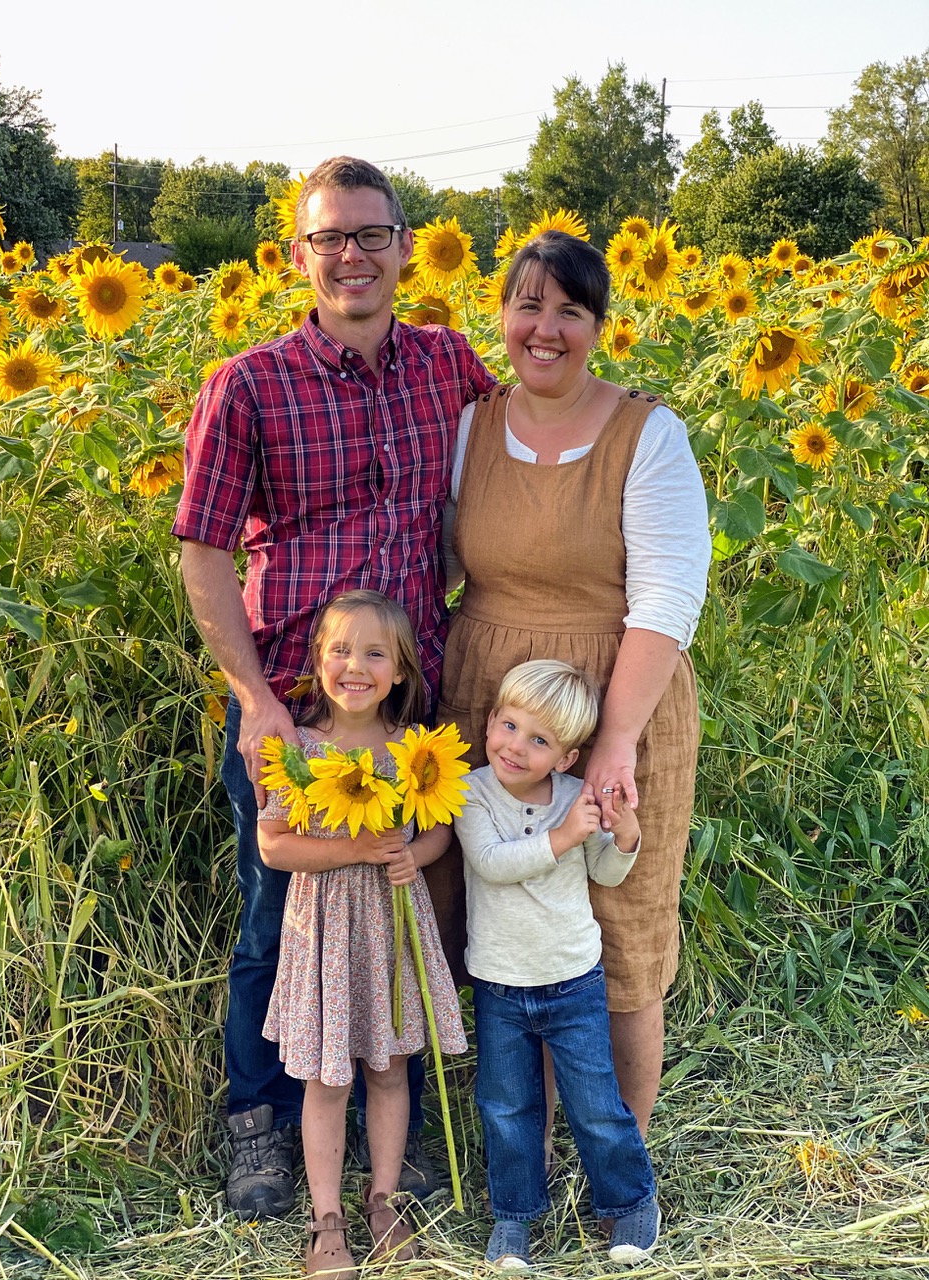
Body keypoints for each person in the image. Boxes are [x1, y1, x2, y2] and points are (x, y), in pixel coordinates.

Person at [172, 155, 495, 1218]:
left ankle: (387, 1117)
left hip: (412, 708)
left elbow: (518, 452)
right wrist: (258, 698)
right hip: (298, 710)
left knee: (409, 897)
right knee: (281, 912)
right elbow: (205, 551)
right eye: (329, 238)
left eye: (370, 234)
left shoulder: (448, 363)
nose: (350, 255)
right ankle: (258, 1118)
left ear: (406, 246)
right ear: (297, 255)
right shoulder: (251, 383)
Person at [436, 229, 711, 1140]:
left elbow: (670, 595)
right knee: (506, 916)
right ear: (502, 312)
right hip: (492, 703)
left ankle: (617, 1154)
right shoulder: (472, 424)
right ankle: (527, 1144)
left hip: (617, 694)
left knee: (620, 924)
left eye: (570, 310)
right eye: (528, 304)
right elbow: (431, 555)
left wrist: (617, 741)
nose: (544, 328)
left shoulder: (647, 432)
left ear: (599, 325)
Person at [257, 590, 466, 1280]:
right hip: (324, 932)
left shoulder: (414, 751)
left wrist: (416, 855)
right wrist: (357, 850)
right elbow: (275, 848)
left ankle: (384, 1197)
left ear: (401, 671)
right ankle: (326, 1218)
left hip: (390, 932)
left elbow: (436, 828)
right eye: (340, 650)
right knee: (326, 1078)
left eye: (375, 653)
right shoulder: (300, 750)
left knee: (389, 1067)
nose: (356, 666)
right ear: (318, 662)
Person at [456, 660, 660, 1267]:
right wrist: (566, 836)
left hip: (573, 976)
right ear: (490, 720)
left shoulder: (576, 798)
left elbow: (605, 872)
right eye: (509, 725)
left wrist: (622, 833)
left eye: (539, 740)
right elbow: (493, 862)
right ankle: (515, 1218)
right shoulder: (471, 792)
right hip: (500, 979)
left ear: (566, 758)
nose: (516, 747)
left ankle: (630, 1201)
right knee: (507, 1104)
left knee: (596, 1099)